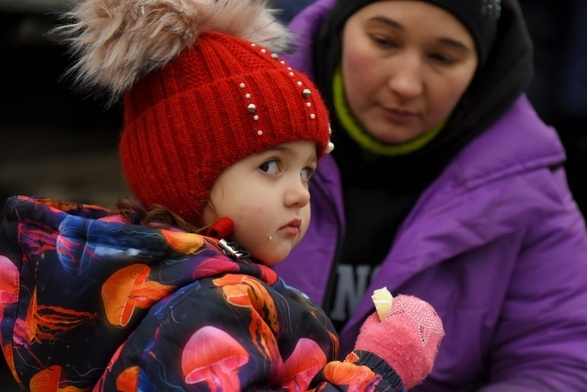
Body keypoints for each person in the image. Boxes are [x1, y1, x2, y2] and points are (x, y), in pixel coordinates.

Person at [0, 0, 445, 391]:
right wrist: (380, 367)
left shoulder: (190, 288)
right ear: (186, 176)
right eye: (270, 166)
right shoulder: (211, 309)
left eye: (307, 172)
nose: (299, 195)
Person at [273, 0, 587, 390]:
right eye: (383, 41)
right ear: (337, 31)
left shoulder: (530, 192)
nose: (406, 84)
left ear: (483, 70)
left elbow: (556, 361)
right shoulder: (232, 133)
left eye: (442, 57)